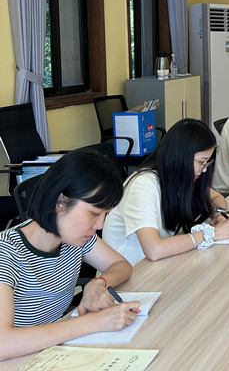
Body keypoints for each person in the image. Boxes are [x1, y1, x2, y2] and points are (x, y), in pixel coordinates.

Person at [0, 148, 141, 361]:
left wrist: (98, 283)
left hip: (50, 353)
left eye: (105, 215)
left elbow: (121, 266)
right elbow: (3, 344)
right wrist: (96, 322)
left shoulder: (74, 239)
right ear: (60, 202)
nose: (100, 225)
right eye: (94, 213)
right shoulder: (6, 252)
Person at [104, 119, 229, 266]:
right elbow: (154, 249)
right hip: (132, 271)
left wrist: (218, 214)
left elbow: (215, 197)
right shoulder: (143, 186)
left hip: (160, 264)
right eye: (201, 162)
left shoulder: (177, 178)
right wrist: (211, 234)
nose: (204, 170)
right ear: (181, 156)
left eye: (206, 163)